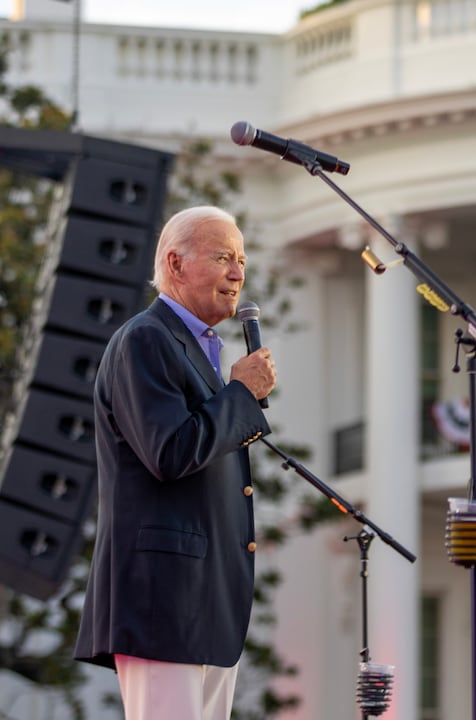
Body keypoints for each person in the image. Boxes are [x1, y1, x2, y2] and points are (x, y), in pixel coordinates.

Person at [74, 205, 277, 720]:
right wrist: (239, 394)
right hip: (162, 599)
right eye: (223, 257)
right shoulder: (146, 339)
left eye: (242, 261)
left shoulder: (195, 347)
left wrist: (234, 396)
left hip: (203, 601)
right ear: (176, 263)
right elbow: (169, 451)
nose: (238, 274)